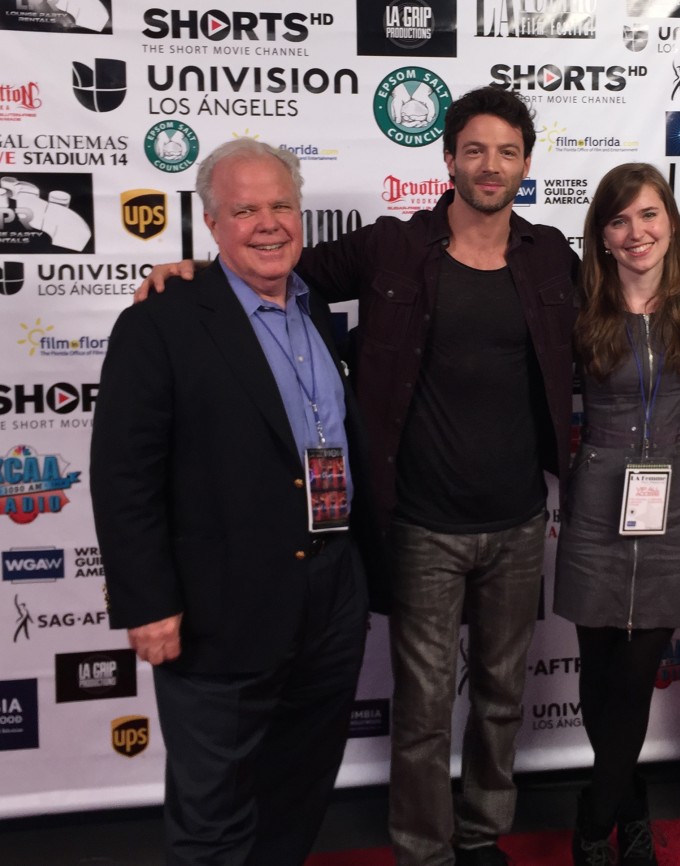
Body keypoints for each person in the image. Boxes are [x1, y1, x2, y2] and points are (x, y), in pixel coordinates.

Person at [135, 86, 578, 866]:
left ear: (527, 165)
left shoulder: (551, 258)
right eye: (473, 149)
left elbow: (620, 315)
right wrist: (194, 271)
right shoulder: (390, 248)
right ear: (447, 160)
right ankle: (423, 849)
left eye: (507, 151)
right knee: (424, 707)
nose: (490, 164)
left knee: (505, 700)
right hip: (419, 525)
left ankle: (480, 837)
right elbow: (269, 271)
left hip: (518, 522)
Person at [91, 138, 373, 866]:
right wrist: (146, 602)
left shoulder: (318, 313)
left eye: (281, 205)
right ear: (212, 224)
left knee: (299, 785)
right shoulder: (162, 320)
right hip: (220, 605)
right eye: (244, 210)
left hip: (330, 592)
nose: (267, 223)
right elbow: (124, 475)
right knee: (213, 806)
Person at [553, 163, 680, 866]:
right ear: (601, 234)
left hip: (676, 495)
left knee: (635, 670)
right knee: (597, 666)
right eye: (620, 220)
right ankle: (631, 804)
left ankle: (594, 816)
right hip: (598, 492)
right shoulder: (576, 302)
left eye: (649, 215)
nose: (637, 232)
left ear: (671, 223)